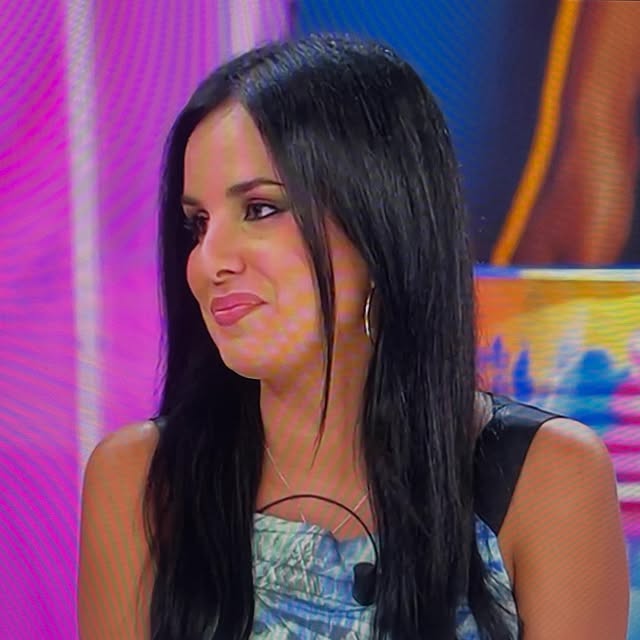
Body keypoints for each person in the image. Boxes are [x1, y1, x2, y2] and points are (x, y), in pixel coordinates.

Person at [77, 34, 628, 639]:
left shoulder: (546, 477)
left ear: (379, 225)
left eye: (260, 209)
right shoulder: (140, 480)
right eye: (197, 224)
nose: (209, 261)